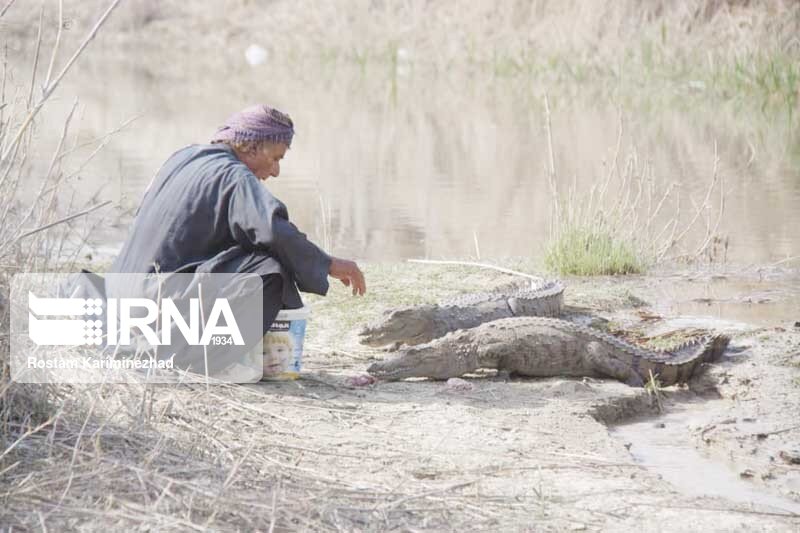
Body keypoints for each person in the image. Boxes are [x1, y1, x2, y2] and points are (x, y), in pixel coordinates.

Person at [107, 104, 366, 377]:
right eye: (275, 158)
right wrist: (327, 264)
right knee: (269, 274)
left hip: (119, 299)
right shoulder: (234, 176)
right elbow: (272, 231)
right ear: (252, 147)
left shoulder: (183, 157)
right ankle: (203, 364)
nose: (276, 171)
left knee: (253, 257)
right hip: (154, 303)